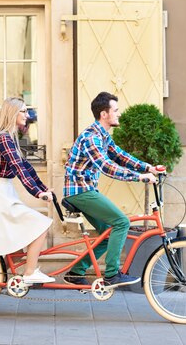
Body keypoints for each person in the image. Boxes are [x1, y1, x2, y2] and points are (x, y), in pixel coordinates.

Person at [63, 91, 157, 287]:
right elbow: (106, 166)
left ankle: (76, 272)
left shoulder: (103, 136)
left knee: (107, 233)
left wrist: (147, 167)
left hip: (86, 190)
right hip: (79, 192)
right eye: (115, 110)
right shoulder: (92, 138)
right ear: (104, 114)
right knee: (121, 222)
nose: (119, 114)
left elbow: (120, 156)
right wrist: (139, 177)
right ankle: (112, 274)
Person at [0, 97, 55, 284]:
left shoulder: (10, 138)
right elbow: (18, 169)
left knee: (16, 240)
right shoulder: (4, 138)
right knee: (41, 225)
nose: (27, 115)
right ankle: (30, 273)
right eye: (23, 111)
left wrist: (44, 188)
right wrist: (38, 193)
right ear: (12, 113)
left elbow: (26, 167)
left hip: (2, 192)